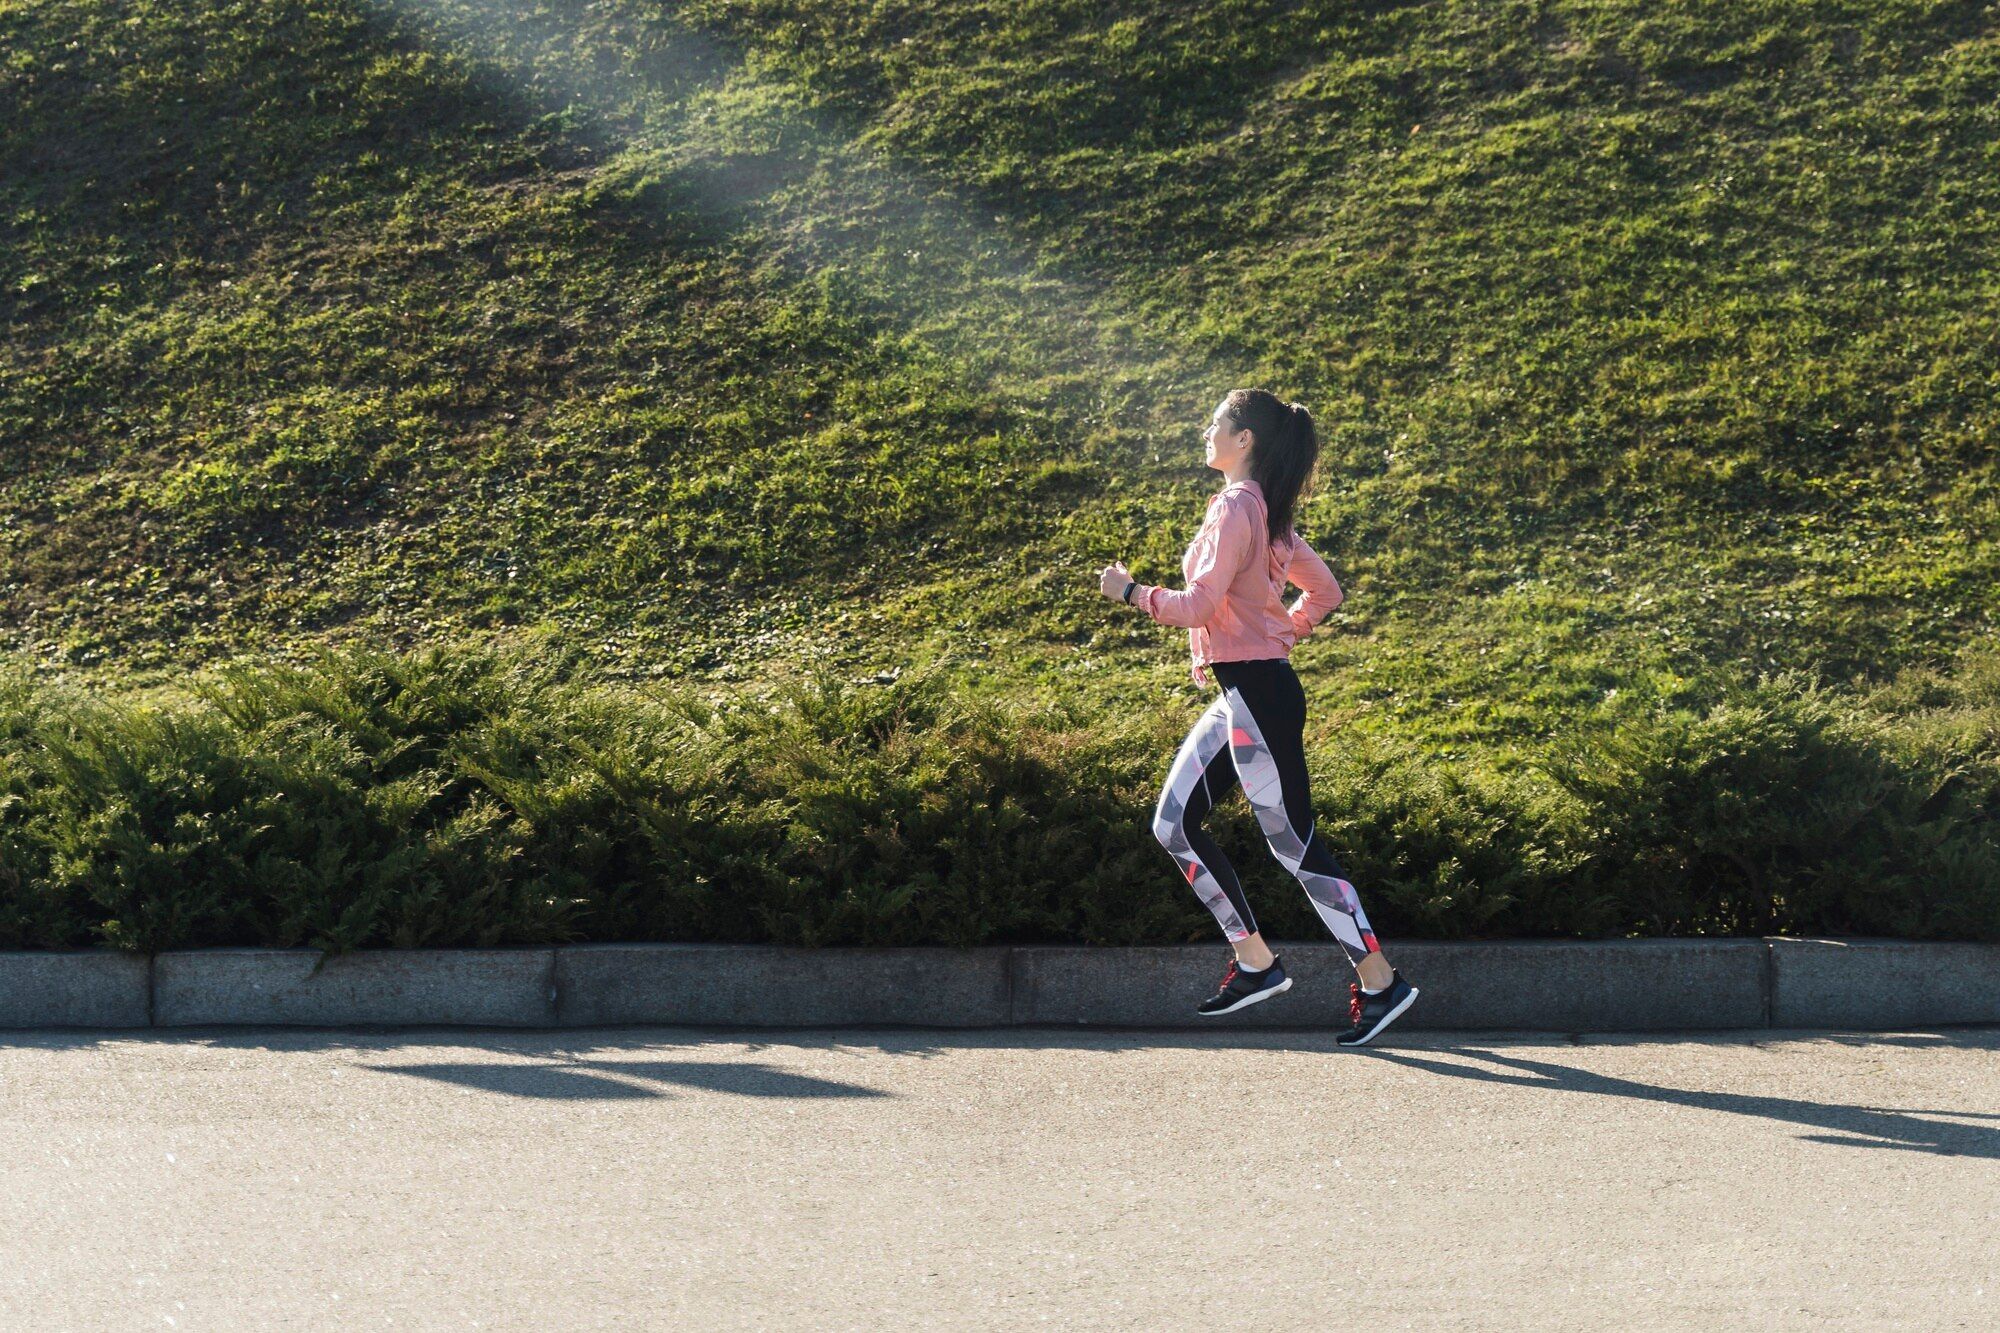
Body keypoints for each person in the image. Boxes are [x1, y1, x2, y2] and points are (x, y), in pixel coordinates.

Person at [1096, 389, 1419, 1047]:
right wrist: (1283, 632)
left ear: (1244, 439)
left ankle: (1380, 979)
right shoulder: (1265, 512)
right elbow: (1323, 590)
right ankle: (1255, 961)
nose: (1207, 429)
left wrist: (1129, 592)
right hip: (1246, 694)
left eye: (1217, 421)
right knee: (1173, 822)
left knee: (1295, 846)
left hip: (1258, 697)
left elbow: (1195, 605)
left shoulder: (1237, 507)